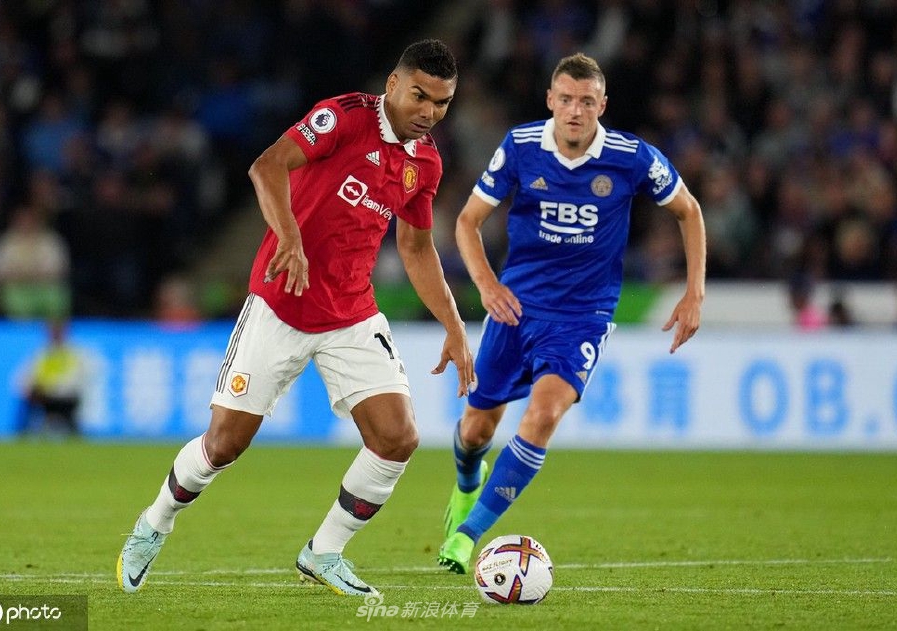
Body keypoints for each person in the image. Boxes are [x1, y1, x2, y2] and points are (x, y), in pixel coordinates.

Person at [117, 39, 474, 597]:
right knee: (223, 445)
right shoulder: (344, 118)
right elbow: (267, 166)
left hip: (352, 313)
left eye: (442, 102)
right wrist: (289, 237)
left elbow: (416, 247)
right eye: (420, 96)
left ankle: (324, 552)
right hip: (281, 304)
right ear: (393, 84)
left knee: (397, 437)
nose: (429, 112)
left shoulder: (424, 162)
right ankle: (154, 522)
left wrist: (454, 326)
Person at [437, 52, 706, 573]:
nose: (575, 110)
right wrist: (487, 284)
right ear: (550, 101)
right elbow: (467, 222)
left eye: (586, 101)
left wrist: (694, 292)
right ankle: (467, 484)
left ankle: (467, 538)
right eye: (565, 99)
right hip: (515, 309)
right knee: (475, 432)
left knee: (542, 415)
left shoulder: (632, 157)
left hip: (583, 316)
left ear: (602, 105)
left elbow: (688, 210)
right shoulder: (520, 146)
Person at [17, 319, 84, 436]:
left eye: (58, 331)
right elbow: (27, 375)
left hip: (65, 396)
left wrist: (51, 388)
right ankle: (23, 434)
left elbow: (76, 379)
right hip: (44, 396)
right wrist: (32, 388)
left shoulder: (74, 353)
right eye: (53, 331)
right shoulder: (42, 353)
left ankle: (74, 434)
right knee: (27, 401)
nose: (55, 335)